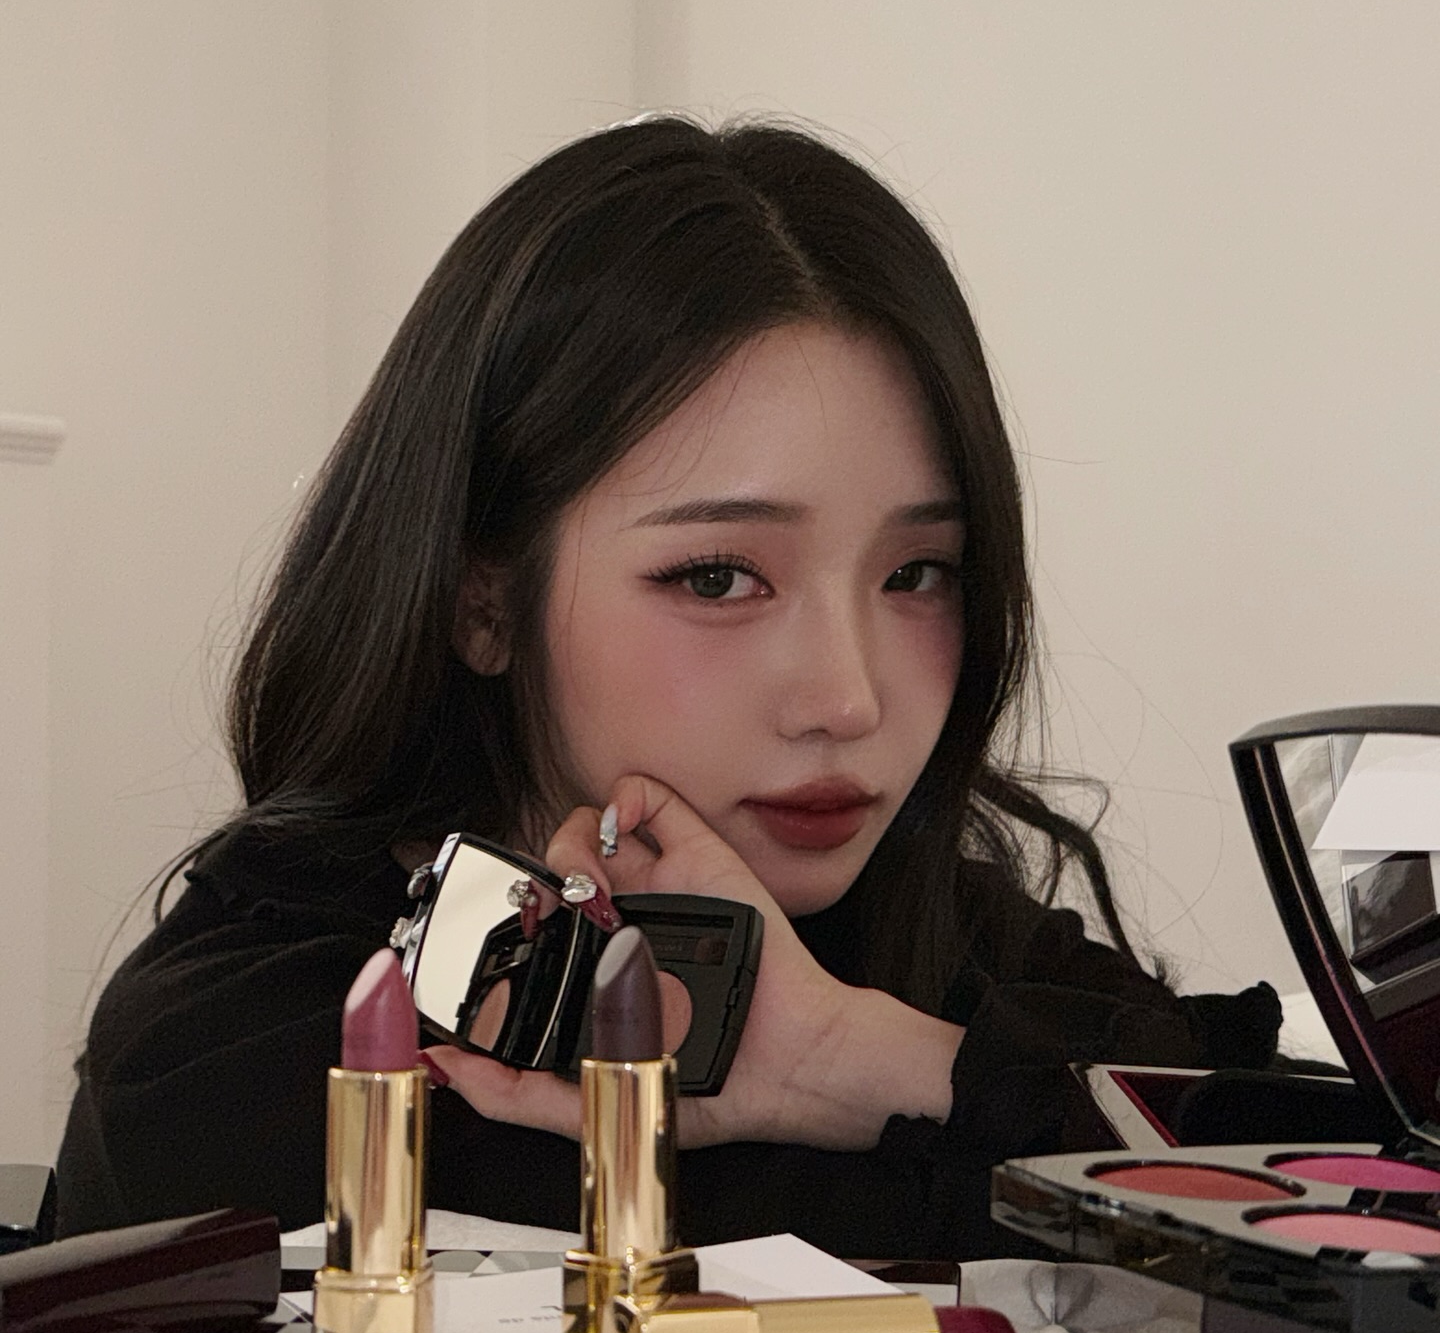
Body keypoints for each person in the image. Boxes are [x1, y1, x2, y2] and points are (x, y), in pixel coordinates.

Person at [55, 116, 1280, 1253]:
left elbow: (1320, 1204)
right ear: (483, 602)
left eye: (917, 573)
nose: (847, 700)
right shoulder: (253, 1045)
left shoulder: (944, 941)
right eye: (717, 578)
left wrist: (856, 1061)